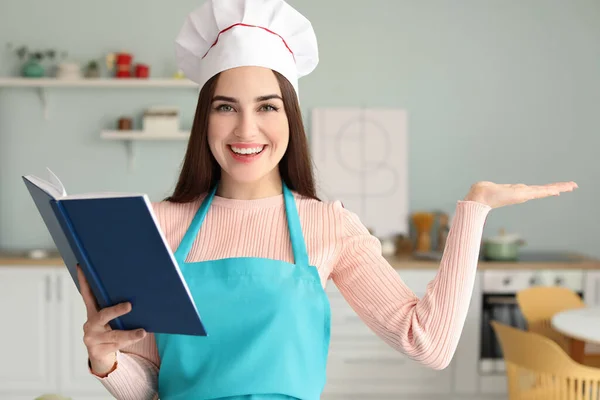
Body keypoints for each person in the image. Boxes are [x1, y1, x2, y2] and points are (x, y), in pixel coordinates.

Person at [76, 0, 578, 399]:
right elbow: (152, 390)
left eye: (267, 107)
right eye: (226, 107)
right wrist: (108, 361)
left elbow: (429, 344)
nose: (246, 129)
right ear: (204, 120)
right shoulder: (158, 226)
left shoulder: (328, 226)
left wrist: (474, 210)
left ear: (290, 118)